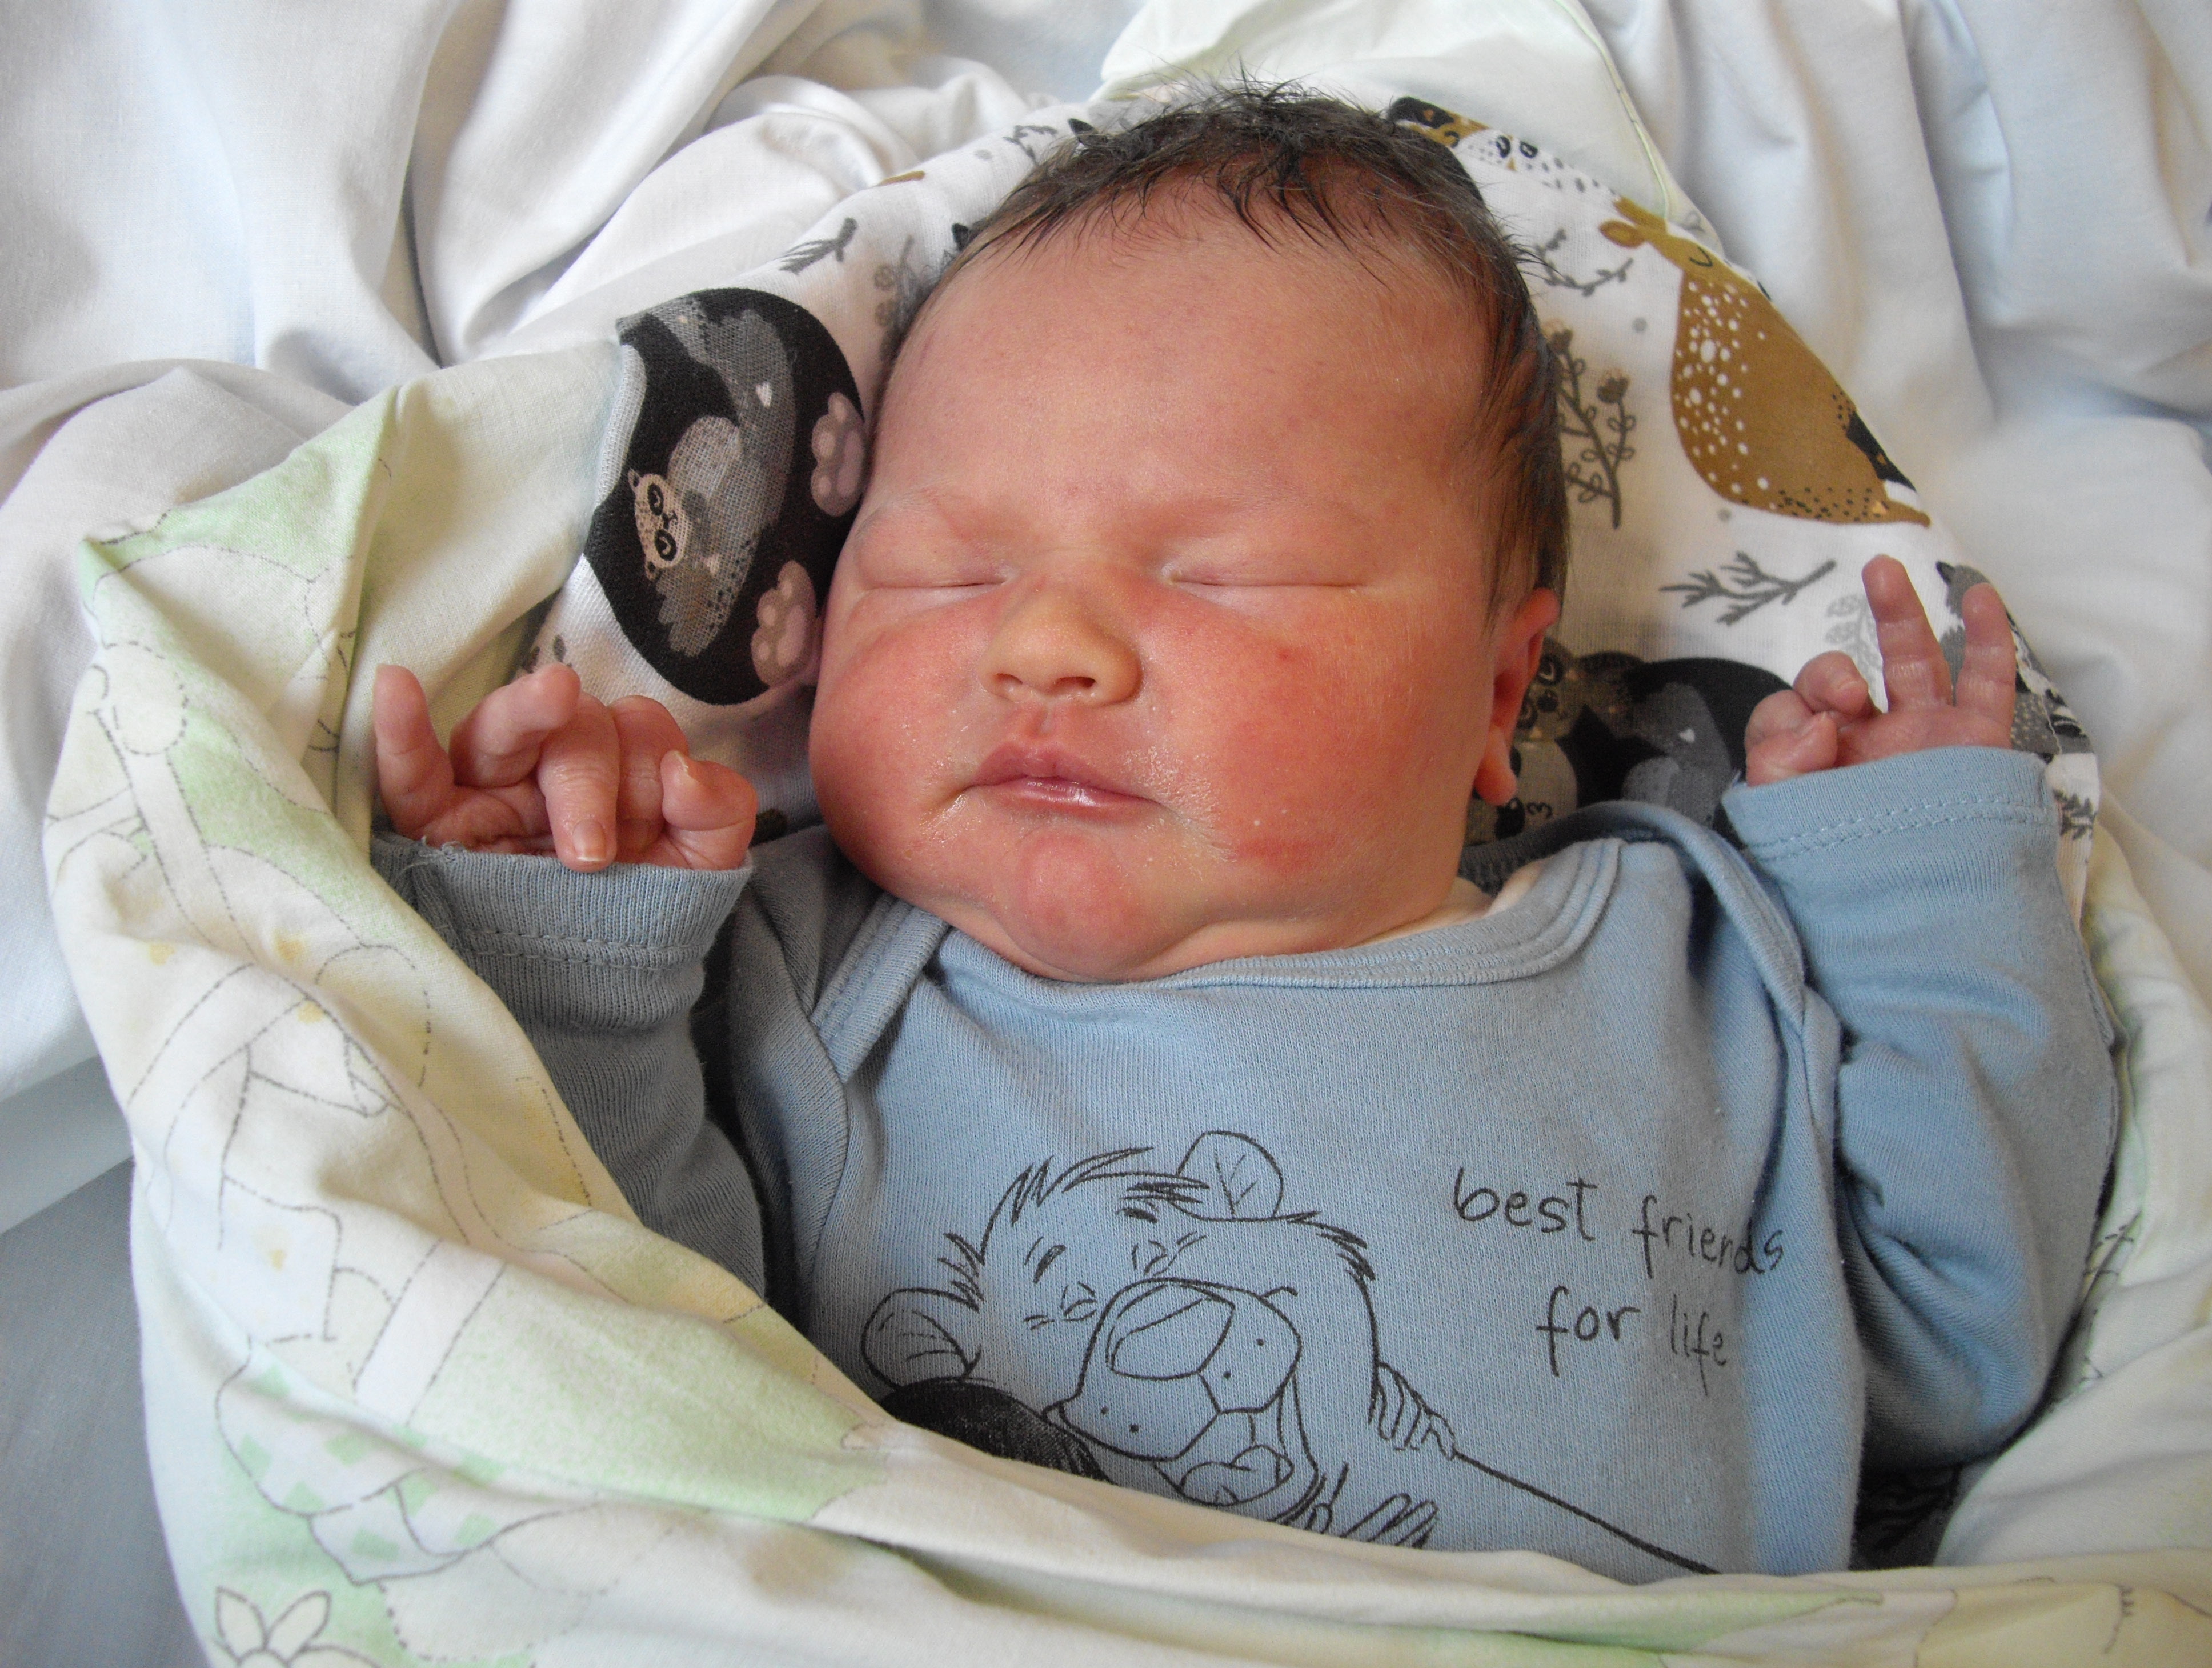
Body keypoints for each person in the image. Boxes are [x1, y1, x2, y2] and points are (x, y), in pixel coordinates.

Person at [370, 88, 2115, 1579]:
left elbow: (1953, 1351)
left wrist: (1925, 885)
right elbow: (640, 1355)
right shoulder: (816, 980)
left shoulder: (1690, 975)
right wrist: (571, 945)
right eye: (943, 571)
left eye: (1221, 573)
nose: (1043, 644)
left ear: (1501, 692)